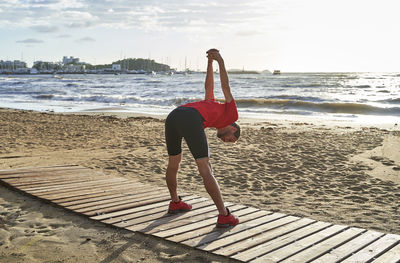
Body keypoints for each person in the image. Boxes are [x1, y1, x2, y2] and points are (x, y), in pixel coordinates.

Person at [164, 49, 240, 228]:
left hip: (174, 115)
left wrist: (209, 63)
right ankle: (224, 215)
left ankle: (175, 202)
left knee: (174, 162)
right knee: (206, 168)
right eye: (230, 139)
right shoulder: (232, 114)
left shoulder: (211, 108)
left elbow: (209, 87)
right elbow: (225, 86)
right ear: (232, 128)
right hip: (190, 117)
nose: (225, 141)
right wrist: (220, 61)